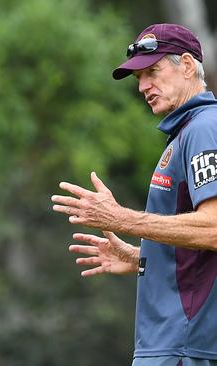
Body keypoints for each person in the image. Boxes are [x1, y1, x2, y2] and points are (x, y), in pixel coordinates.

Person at [52, 23, 217, 366]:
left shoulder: (204, 128)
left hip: (183, 349)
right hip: (173, 347)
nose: (143, 86)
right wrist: (145, 258)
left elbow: (213, 229)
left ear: (187, 66)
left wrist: (119, 219)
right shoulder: (188, 131)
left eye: (152, 72)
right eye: (138, 78)